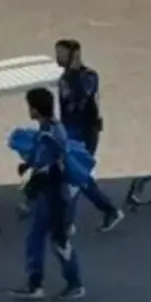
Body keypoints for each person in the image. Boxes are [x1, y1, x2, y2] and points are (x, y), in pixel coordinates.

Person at [9, 88, 86, 301]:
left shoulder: (47, 135)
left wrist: (28, 189)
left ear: (35, 109)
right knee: (39, 237)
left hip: (52, 195)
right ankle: (37, 283)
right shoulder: (54, 128)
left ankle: (72, 283)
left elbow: (44, 169)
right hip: (53, 193)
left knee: (56, 240)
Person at [55, 39, 124, 233]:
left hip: (85, 132)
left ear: (74, 56)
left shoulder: (88, 77)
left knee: (75, 175)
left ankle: (68, 223)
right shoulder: (64, 77)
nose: (57, 57)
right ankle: (108, 211)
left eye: (61, 54)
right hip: (70, 130)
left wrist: (73, 72)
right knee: (77, 176)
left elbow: (80, 97)